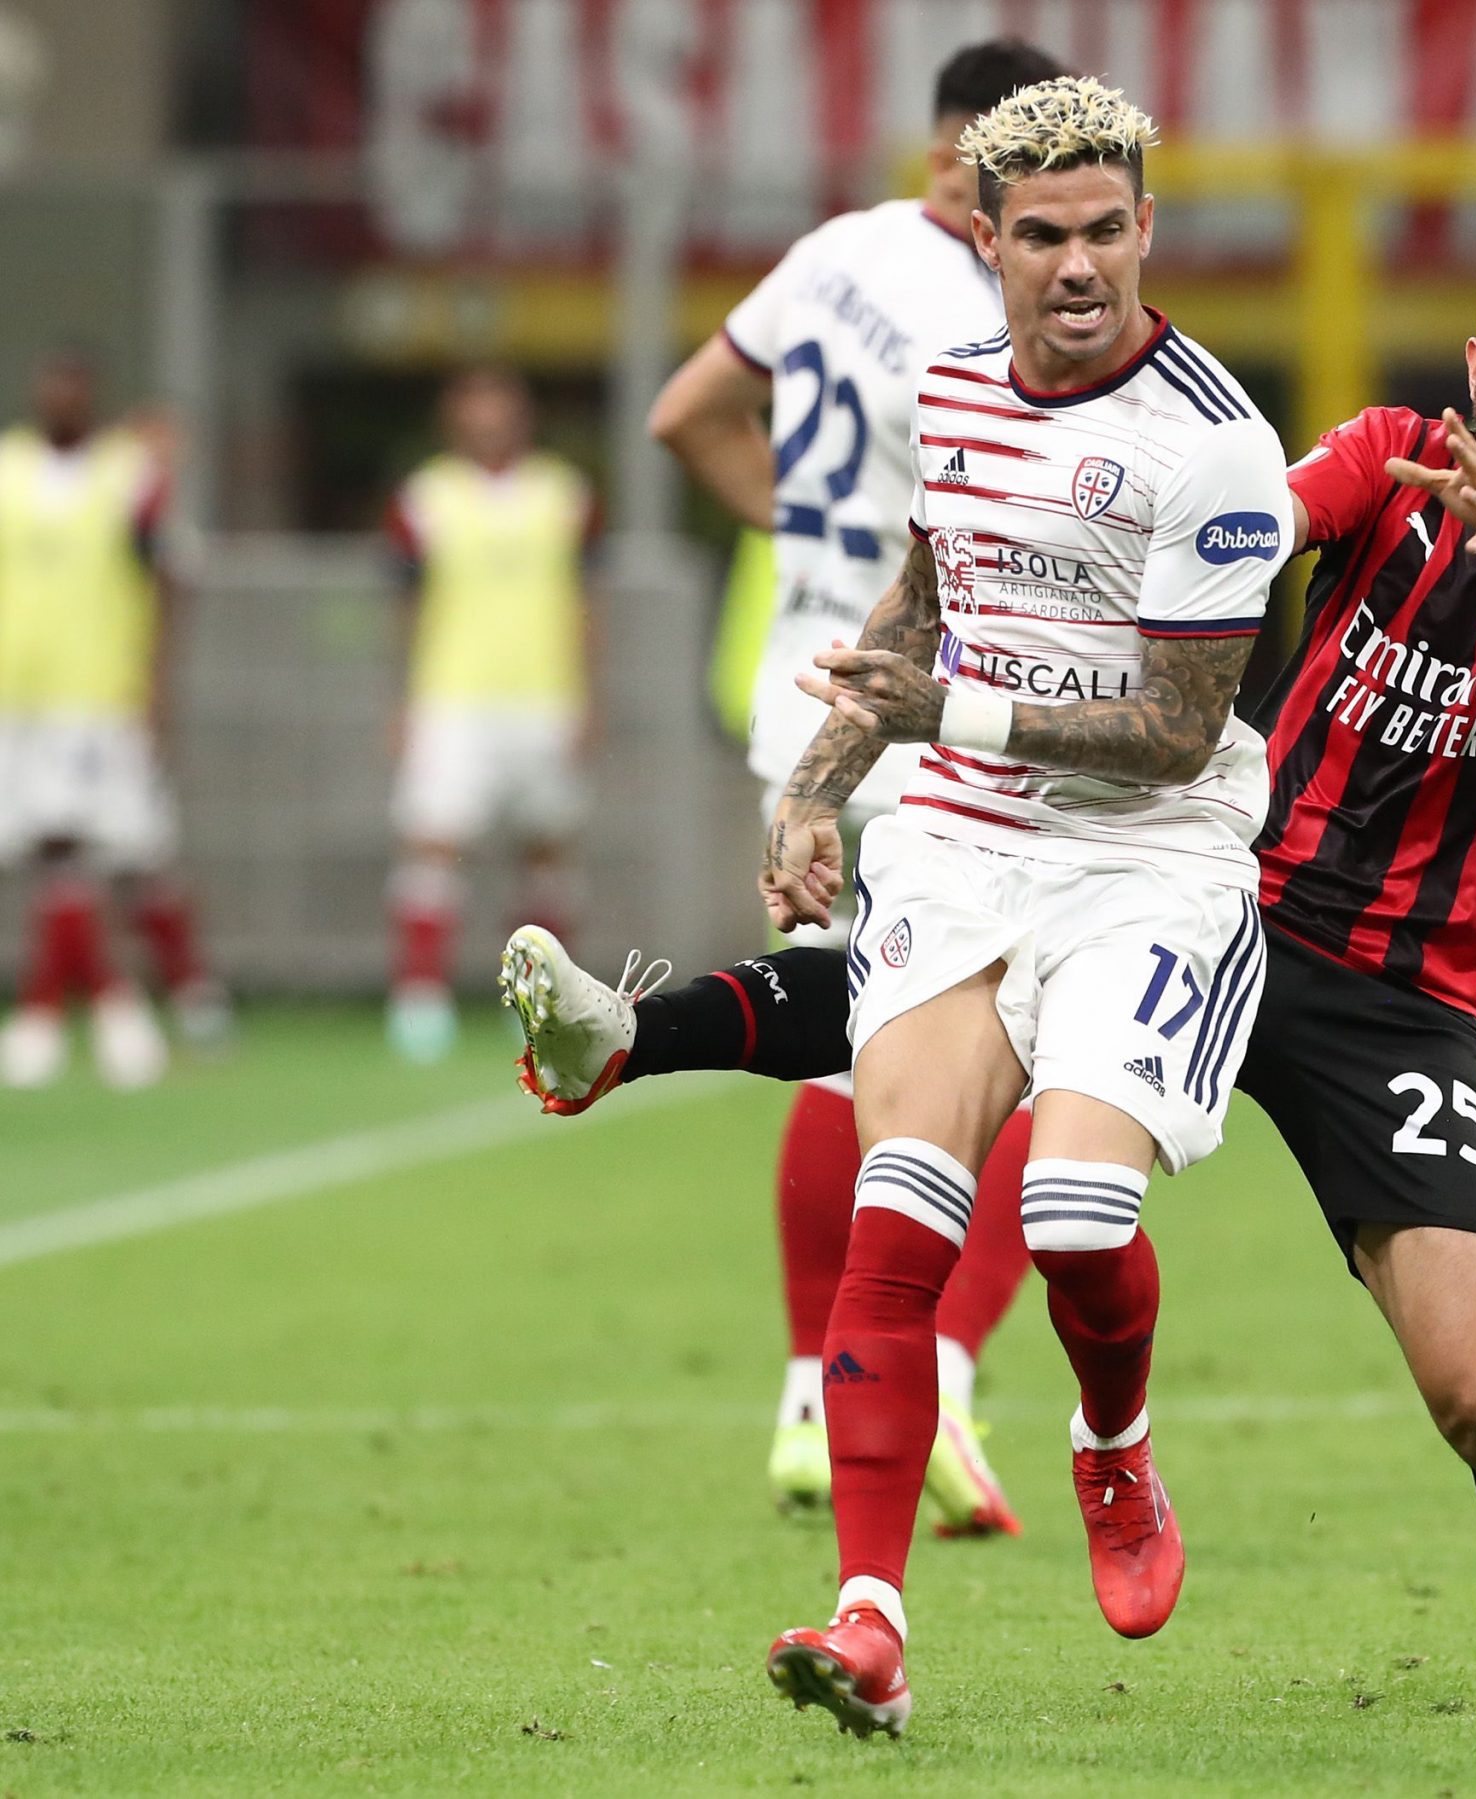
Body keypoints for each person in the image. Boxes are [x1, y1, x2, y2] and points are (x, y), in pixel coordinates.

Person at [506, 239, 1476, 1726]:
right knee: (930, 1008)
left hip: (1398, 993)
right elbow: (1247, 525)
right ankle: (625, 1038)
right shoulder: (1390, 454)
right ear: (1475, 355)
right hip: (1210, 889)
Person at [511, 76, 1291, 1738]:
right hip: (963, 837)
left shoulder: (1215, 442)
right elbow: (921, 608)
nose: (1077, 265)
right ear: (985, 240)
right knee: (901, 1212)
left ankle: (1113, 1443)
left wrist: (952, 715)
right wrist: (816, 781)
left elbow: (1174, 730)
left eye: (1106, 231)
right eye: (1042, 235)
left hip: (1151, 861)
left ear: (1146, 229)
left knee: (1073, 1215)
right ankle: (871, 1618)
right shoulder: (950, 386)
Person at [633, 35, 1067, 1529]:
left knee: (840, 1044)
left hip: (803, 696)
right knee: (1025, 1054)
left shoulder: (834, 252)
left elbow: (686, 412)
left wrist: (803, 543)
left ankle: (812, 1400)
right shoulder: (986, 305)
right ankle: (929, 1366)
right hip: (930, 705)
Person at [0, 347, 227, 1089]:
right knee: (59, 850)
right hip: (18, 694)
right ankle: (131, 1004)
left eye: (74, 385)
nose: (61, 396)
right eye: (52, 383)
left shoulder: (127, 477)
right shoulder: (9, 468)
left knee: (118, 852)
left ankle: (97, 1008)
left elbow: (170, 575)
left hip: (96, 693)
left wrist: (156, 684)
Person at [382, 366, 598, 1063]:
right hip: (453, 696)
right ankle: (420, 998)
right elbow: (406, 605)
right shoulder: (426, 498)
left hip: (544, 695)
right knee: (434, 839)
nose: (488, 423)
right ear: (453, 419)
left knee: (544, 847)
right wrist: (403, 699)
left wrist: (588, 694)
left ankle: (539, 1002)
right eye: (474, 410)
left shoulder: (563, 494)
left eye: (500, 409)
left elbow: (585, 601)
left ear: (522, 416)